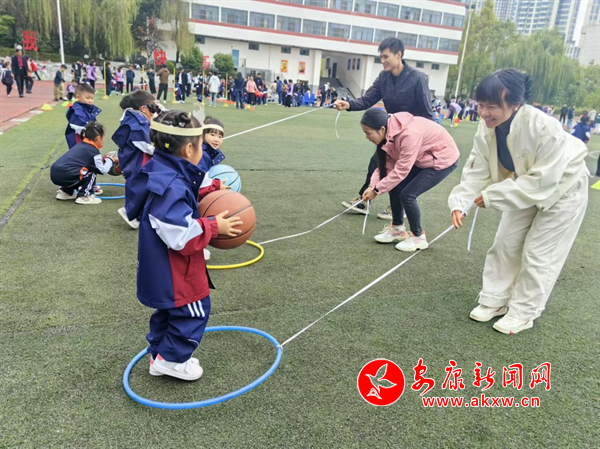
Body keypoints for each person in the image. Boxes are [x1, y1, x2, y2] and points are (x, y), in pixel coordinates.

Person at [449, 69, 589, 335]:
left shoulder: (544, 127)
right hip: (521, 184)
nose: (484, 113)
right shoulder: (485, 127)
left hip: (564, 187)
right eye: (480, 105)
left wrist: (493, 196)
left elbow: (543, 181)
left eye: (492, 106)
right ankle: (495, 298)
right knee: (505, 242)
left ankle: (524, 312)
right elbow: (477, 168)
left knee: (538, 252)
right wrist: (460, 202)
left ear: (514, 103)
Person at [124, 110, 242, 381]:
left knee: (168, 314)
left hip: (164, 271)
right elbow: (180, 235)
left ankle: (159, 355)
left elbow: (187, 186)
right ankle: (173, 361)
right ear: (189, 149)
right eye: (201, 145)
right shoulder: (170, 187)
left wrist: (210, 188)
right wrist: (214, 226)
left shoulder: (163, 170)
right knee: (193, 313)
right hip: (175, 273)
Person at [334, 37, 433, 221]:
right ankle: (364, 201)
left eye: (386, 56)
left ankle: (397, 209)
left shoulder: (418, 78)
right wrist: (348, 105)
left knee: (404, 170)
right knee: (376, 163)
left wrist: (422, 141)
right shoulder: (383, 77)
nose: (383, 61)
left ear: (399, 55)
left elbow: (427, 114)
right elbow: (367, 100)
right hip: (390, 131)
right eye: (381, 57)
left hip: (413, 136)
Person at [360, 108, 459, 252]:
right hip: (422, 158)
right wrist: (373, 186)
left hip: (442, 160)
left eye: (368, 133)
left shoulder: (408, 135)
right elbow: (386, 165)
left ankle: (418, 237)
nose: (367, 137)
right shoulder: (389, 133)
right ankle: (397, 229)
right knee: (395, 187)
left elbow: (401, 170)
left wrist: (376, 190)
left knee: (408, 195)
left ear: (382, 129)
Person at [112, 90, 160, 229]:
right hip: (136, 162)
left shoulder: (134, 118)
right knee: (141, 188)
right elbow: (148, 146)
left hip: (134, 160)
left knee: (142, 188)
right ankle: (131, 214)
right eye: (152, 108)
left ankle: (136, 213)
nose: (154, 112)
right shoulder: (138, 124)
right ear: (143, 108)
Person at [51, 121, 116, 205]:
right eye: (103, 136)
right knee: (91, 171)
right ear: (98, 138)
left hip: (55, 174)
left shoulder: (80, 145)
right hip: (67, 174)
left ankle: (65, 192)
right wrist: (110, 160)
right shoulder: (93, 152)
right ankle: (84, 196)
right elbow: (102, 170)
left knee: (78, 171)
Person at [65, 83, 102, 149]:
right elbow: (78, 127)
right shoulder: (76, 111)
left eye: (92, 98)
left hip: (88, 141)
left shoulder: (89, 109)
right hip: (78, 142)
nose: (90, 101)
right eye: (87, 98)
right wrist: (92, 134)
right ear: (78, 97)